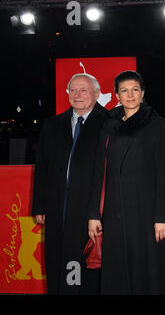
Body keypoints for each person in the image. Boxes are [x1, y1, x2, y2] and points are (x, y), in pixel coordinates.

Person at [88, 71, 165, 294]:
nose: (130, 95)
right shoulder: (109, 126)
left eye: (135, 90)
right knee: (117, 270)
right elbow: (99, 172)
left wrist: (162, 217)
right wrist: (94, 214)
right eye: (124, 90)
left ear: (143, 93)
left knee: (149, 270)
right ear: (116, 95)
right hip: (115, 210)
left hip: (147, 211)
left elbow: (164, 172)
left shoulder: (159, 125)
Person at [32, 73, 108, 294]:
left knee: (85, 264)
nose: (77, 95)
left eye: (83, 90)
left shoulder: (109, 123)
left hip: (92, 211)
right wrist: (39, 205)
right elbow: (42, 168)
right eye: (72, 90)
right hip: (57, 208)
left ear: (96, 93)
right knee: (59, 261)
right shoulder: (52, 125)